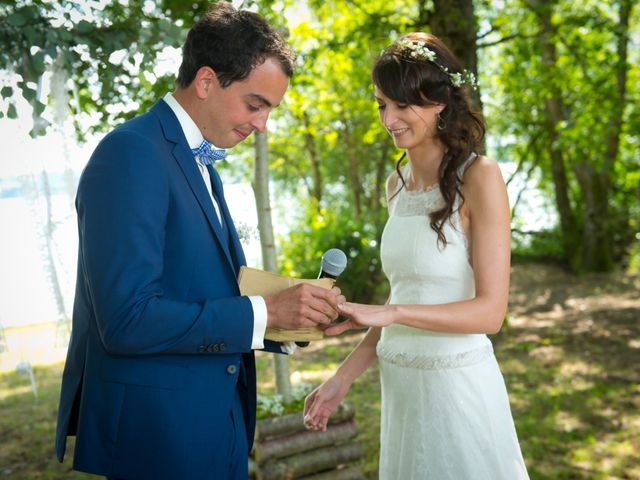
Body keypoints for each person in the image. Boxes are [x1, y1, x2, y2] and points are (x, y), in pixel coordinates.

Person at [55, 4, 344, 479]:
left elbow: (198, 289)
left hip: (217, 425)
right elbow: (127, 319)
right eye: (255, 104)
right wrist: (266, 313)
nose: (262, 124)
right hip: (159, 439)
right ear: (207, 81)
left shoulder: (201, 163)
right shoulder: (131, 154)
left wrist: (293, 320)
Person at [303, 32, 529, 479]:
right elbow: (399, 300)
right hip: (401, 387)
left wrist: (393, 313)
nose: (389, 118)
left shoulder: (480, 177)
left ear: (440, 102)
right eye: (382, 104)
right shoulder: (396, 184)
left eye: (402, 105)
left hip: (457, 388)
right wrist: (341, 378)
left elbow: (490, 313)